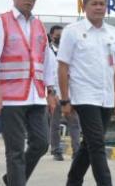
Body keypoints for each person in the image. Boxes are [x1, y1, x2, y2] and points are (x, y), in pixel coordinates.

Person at [0, 0, 58, 186]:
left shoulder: (39, 24)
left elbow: (47, 59)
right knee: (14, 151)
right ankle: (17, 181)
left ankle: (13, 179)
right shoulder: (2, 22)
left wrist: (51, 91)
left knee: (42, 143)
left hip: (36, 94)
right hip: (11, 97)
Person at [58, 0, 115, 186]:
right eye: (94, 3)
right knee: (97, 145)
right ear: (84, 6)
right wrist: (65, 99)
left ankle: (73, 180)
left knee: (89, 145)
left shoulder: (114, 33)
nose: (98, 7)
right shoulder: (72, 31)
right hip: (84, 96)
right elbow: (62, 67)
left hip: (106, 98)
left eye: (102, 4)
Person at [47, 25, 81, 161]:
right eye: (57, 36)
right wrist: (50, 92)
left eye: (62, 36)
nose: (60, 38)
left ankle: (76, 151)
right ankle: (56, 150)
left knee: (74, 123)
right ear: (51, 35)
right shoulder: (48, 51)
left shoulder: (69, 51)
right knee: (55, 124)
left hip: (69, 92)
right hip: (55, 91)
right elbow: (48, 73)